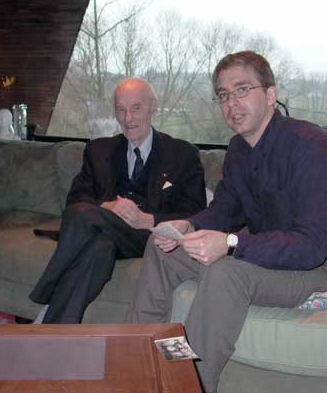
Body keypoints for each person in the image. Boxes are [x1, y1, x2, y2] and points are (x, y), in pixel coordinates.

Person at [127, 51, 327, 392]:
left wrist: (233, 244)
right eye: (223, 95)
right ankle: (143, 359)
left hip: (316, 268)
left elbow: (310, 247)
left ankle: (186, 384)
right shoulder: (238, 149)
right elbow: (225, 210)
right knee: (161, 249)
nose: (231, 103)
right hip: (265, 258)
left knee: (226, 272)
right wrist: (188, 227)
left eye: (242, 89)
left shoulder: (310, 145)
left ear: (270, 95)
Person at [30, 77, 206, 323]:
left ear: (153, 107)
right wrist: (109, 206)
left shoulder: (182, 154)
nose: (128, 118)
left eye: (136, 108)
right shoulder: (99, 150)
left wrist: (147, 220)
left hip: (150, 237)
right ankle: (53, 331)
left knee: (83, 215)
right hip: (107, 232)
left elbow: (196, 212)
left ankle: (48, 292)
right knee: (98, 249)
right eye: (121, 110)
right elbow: (75, 200)